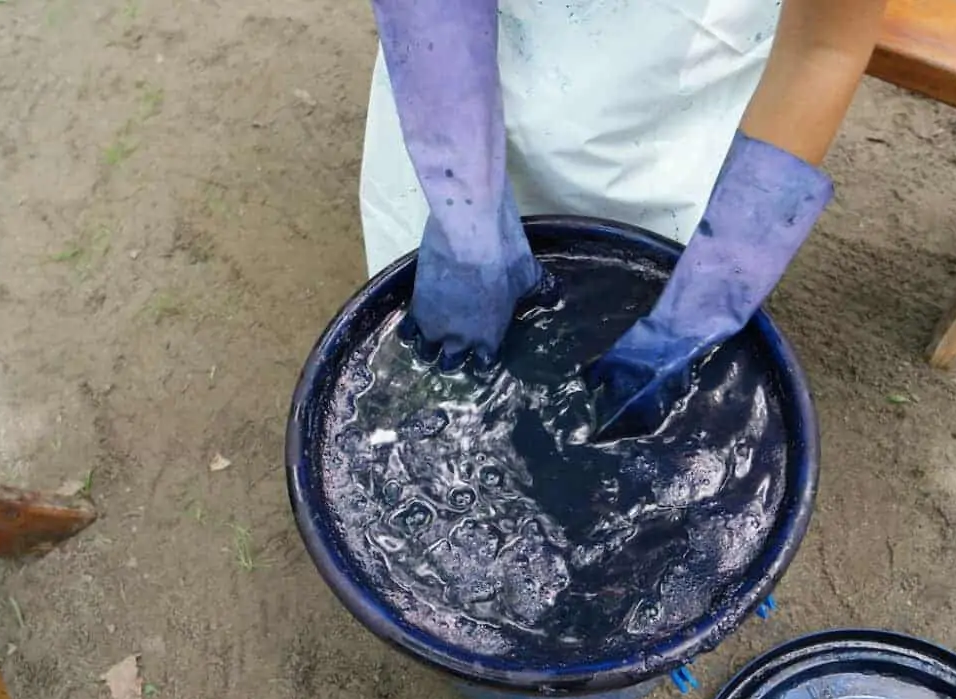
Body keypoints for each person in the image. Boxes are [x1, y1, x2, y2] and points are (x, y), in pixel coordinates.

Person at [359, 0, 888, 437]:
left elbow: (825, 46)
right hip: (451, 83)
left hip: (668, 129)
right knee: (435, 368)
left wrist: (704, 301)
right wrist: (462, 202)